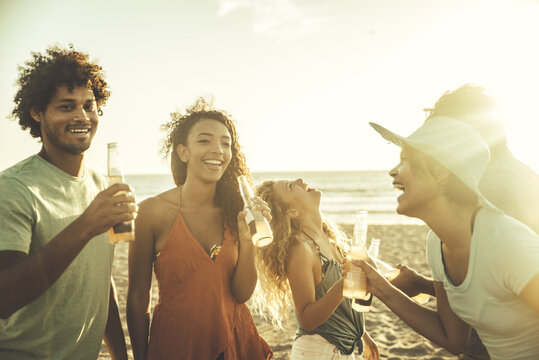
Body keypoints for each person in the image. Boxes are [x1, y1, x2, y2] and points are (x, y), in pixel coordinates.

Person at [356, 117, 539, 359]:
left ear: (440, 173)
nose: (393, 171)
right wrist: (380, 287)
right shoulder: (437, 244)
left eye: (405, 160)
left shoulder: (506, 243)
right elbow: (453, 339)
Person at [0, 45, 137, 359]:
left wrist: (121, 355)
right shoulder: (13, 188)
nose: (81, 116)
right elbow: (4, 297)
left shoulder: (103, 187)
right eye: (66, 106)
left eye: (89, 105)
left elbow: (101, 286)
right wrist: (85, 226)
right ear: (37, 112)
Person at [126, 98, 272, 360]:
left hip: (234, 343)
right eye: (205, 140)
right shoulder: (151, 212)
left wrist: (247, 239)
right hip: (175, 345)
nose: (218, 149)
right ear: (183, 152)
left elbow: (241, 294)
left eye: (225, 143)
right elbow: (138, 297)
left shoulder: (235, 211)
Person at [253, 178, 379, 359]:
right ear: (292, 211)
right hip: (317, 351)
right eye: (290, 186)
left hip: (341, 349)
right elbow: (307, 319)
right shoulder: (300, 250)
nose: (299, 180)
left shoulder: (331, 240)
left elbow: (342, 306)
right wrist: (346, 284)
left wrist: (363, 334)